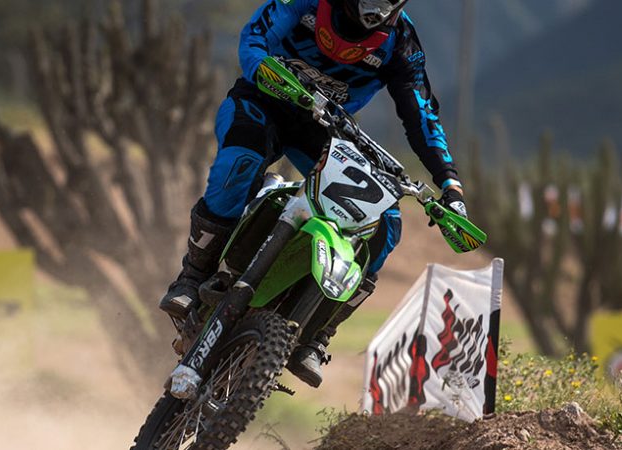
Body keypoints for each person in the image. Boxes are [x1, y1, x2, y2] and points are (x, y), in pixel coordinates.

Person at [159, 0, 469, 388]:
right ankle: (192, 277)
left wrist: (450, 184)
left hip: (326, 127)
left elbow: (422, 115)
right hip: (264, 98)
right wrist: (262, 68)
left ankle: (316, 334)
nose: (377, 7)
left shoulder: (402, 42)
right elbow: (255, 36)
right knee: (239, 164)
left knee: (384, 223)